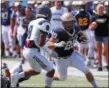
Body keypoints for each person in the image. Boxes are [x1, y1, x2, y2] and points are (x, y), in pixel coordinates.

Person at [47, 12, 98, 88]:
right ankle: (49, 78)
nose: (67, 24)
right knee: (62, 78)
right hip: (61, 58)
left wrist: (83, 38)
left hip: (72, 55)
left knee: (86, 70)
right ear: (62, 22)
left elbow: (81, 35)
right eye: (65, 22)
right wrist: (56, 44)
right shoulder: (58, 31)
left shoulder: (76, 28)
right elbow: (48, 44)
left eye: (69, 22)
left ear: (72, 21)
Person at [10, 4, 55, 88]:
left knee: (37, 71)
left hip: (27, 50)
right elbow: (41, 43)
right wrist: (50, 52)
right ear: (46, 13)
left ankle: (16, 76)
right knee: (51, 71)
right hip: (32, 51)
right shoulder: (44, 23)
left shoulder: (33, 21)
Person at [89, 4, 109, 71]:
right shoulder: (94, 17)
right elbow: (90, 27)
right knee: (99, 51)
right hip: (98, 35)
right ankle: (100, 66)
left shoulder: (106, 16)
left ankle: (106, 64)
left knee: (106, 50)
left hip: (106, 35)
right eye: (99, 8)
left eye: (102, 8)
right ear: (97, 9)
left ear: (103, 9)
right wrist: (93, 26)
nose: (101, 10)